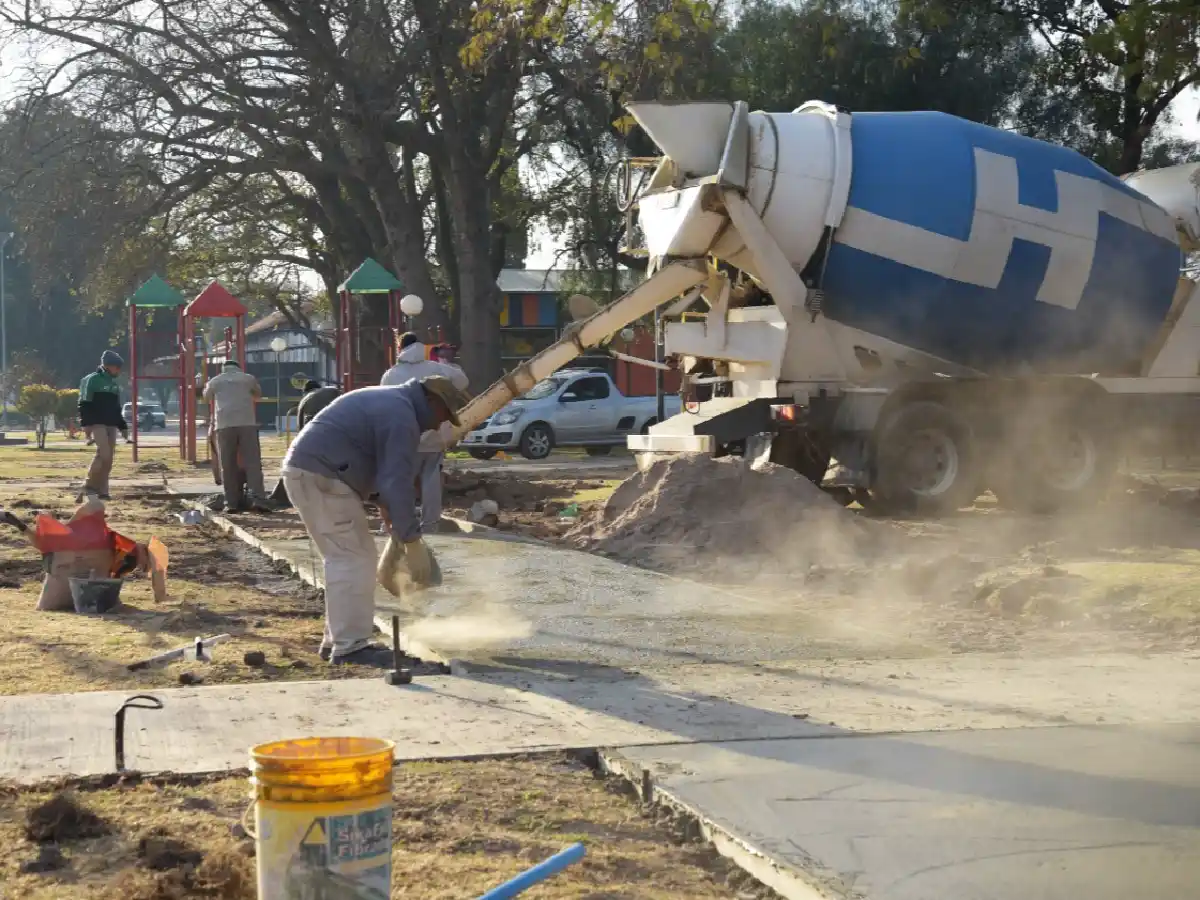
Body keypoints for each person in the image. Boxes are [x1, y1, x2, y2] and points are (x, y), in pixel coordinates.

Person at [281, 375, 469, 665]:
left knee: (347, 556)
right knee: (351, 558)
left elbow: (380, 475)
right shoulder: (402, 416)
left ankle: (338, 641)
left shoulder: (393, 402)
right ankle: (351, 647)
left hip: (313, 472)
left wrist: (390, 511)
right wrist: (411, 538)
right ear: (432, 401)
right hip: (322, 476)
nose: (439, 424)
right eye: (444, 415)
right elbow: (397, 481)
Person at [380, 333, 469, 534]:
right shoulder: (436, 368)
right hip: (435, 435)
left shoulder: (391, 374)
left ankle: (398, 523)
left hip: (405, 436)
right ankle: (430, 524)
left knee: (402, 481)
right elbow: (462, 381)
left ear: (400, 347)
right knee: (431, 480)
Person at [203, 360, 266, 511]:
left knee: (227, 465)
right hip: (247, 423)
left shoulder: (215, 381)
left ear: (224, 369)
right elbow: (258, 394)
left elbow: (206, 398)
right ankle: (258, 499)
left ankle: (231, 503)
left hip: (224, 425)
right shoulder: (248, 378)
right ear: (239, 368)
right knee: (253, 463)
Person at [267, 380, 340, 506]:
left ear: (305, 391)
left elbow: (300, 426)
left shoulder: (305, 399)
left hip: (312, 430)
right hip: (335, 430)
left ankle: (281, 496)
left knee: (295, 464)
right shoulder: (333, 391)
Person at [77, 350, 129, 500]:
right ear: (108, 366)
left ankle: (103, 491)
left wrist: (122, 426)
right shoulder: (92, 379)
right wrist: (85, 424)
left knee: (108, 458)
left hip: (111, 424)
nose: (119, 371)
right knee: (104, 453)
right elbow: (84, 403)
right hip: (96, 423)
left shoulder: (113, 384)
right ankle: (88, 485)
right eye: (117, 367)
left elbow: (116, 409)